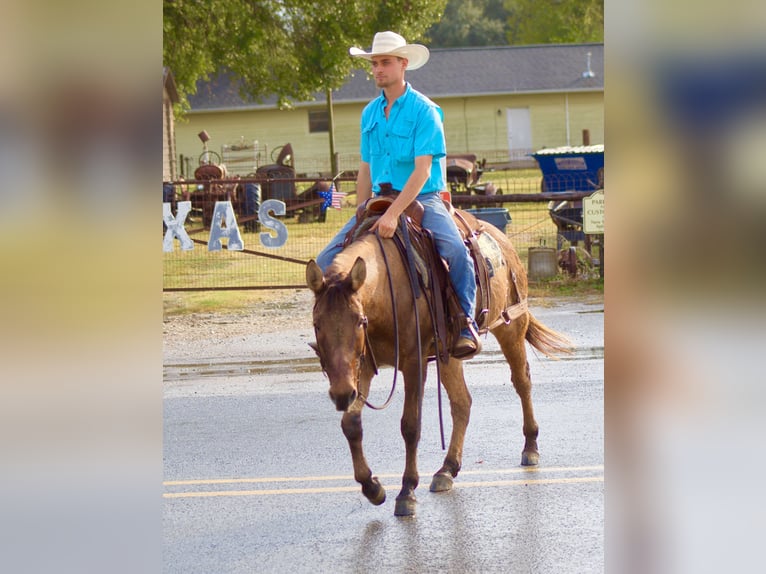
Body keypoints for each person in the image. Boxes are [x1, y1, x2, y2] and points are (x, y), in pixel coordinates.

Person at [315, 31, 480, 358]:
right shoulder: (370, 114)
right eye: (374, 63)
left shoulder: (424, 111)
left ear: (403, 65)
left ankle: (464, 322)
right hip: (378, 200)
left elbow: (421, 171)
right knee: (324, 262)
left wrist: (393, 215)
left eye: (385, 62)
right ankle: (341, 331)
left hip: (423, 198)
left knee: (457, 252)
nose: (378, 69)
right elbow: (365, 168)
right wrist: (363, 209)